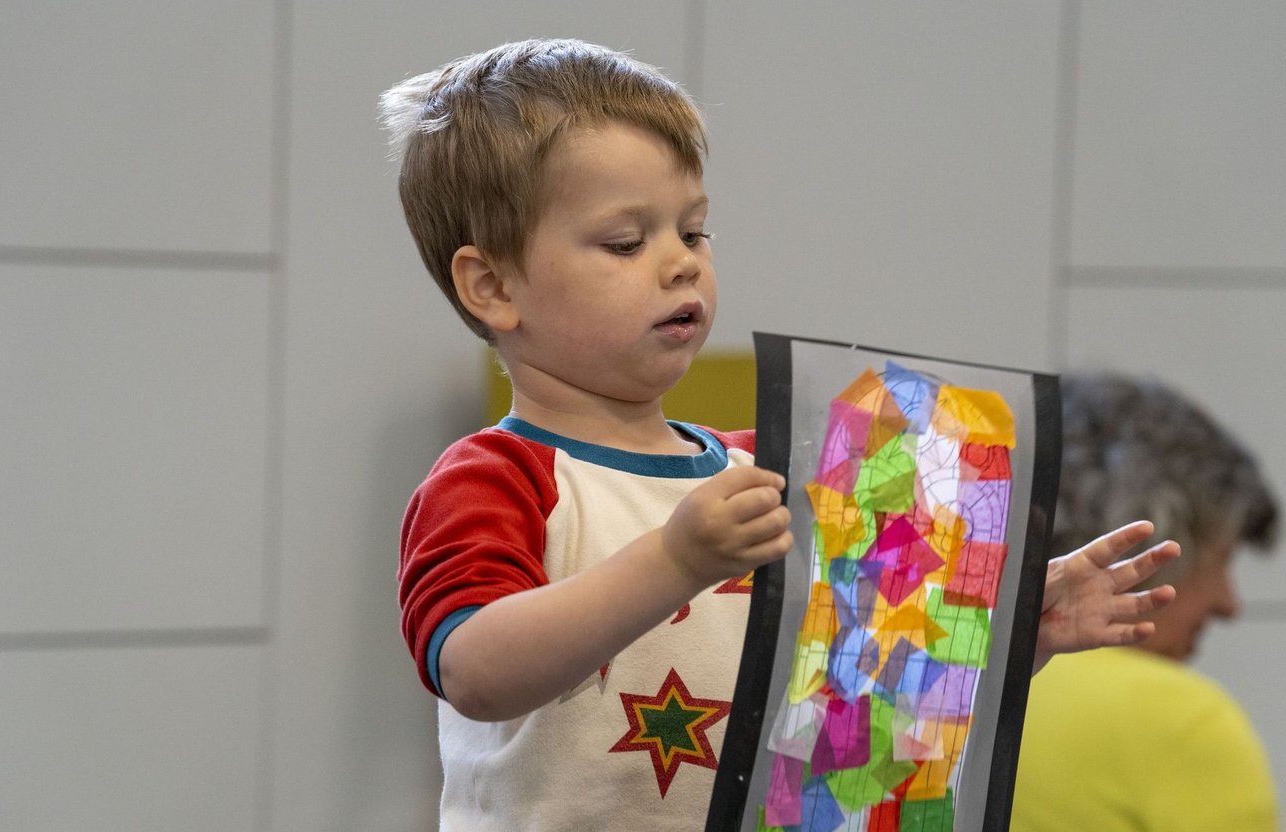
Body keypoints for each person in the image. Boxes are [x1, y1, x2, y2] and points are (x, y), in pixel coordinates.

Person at [383, 39, 1178, 830]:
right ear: (491, 285)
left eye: (693, 233)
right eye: (626, 243)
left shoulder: (761, 466)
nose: (679, 265)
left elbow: (856, 721)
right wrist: (674, 559)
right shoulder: (495, 477)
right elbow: (474, 671)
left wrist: (999, 641)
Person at [1011, 373, 1282, 832]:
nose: (1228, 603)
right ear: (1155, 539)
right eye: (1222, 558)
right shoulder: (1183, 723)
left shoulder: (942, 683)